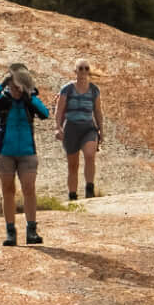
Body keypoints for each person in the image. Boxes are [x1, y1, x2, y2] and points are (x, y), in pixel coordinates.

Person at [0, 63, 53, 246]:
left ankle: (31, 231)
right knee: (8, 191)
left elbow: (45, 114)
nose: (15, 90)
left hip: (27, 152)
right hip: (5, 152)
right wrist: (2, 84)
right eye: (12, 86)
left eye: (18, 86)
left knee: (29, 189)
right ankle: (10, 232)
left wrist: (30, 95)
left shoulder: (29, 100)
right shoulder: (2, 99)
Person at [55, 60, 109, 201]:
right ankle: (72, 196)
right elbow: (59, 110)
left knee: (90, 155)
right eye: (81, 68)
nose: (84, 71)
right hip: (71, 128)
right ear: (75, 71)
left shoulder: (94, 90)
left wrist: (101, 130)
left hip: (88, 127)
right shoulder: (67, 89)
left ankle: (89, 189)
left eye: (86, 68)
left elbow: (97, 111)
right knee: (73, 164)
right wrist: (58, 127)